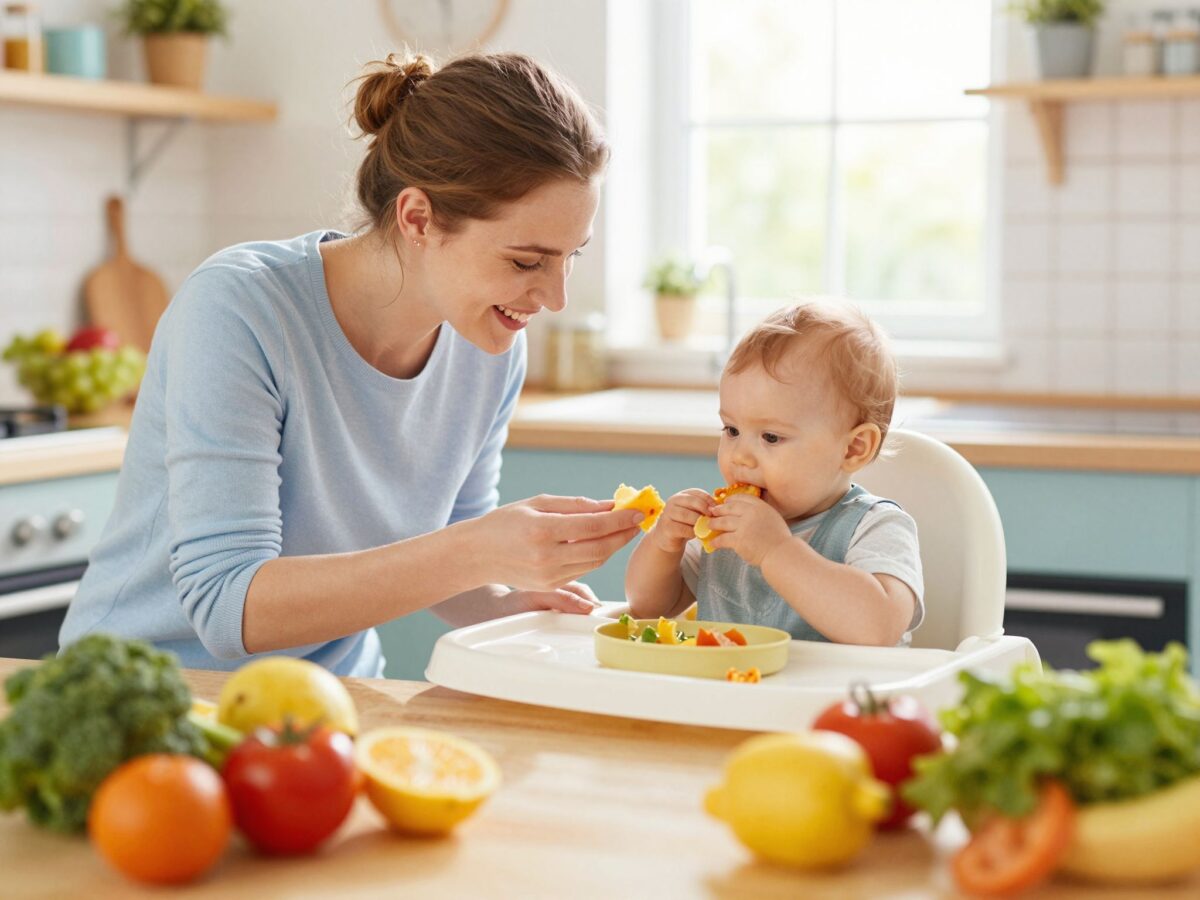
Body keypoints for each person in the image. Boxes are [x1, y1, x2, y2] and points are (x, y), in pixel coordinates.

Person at [59, 52, 645, 677]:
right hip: (147, 693)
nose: (554, 298)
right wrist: (477, 552)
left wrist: (506, 595)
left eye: (570, 256)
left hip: (332, 695)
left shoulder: (491, 344)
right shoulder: (240, 310)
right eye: (527, 262)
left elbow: (440, 542)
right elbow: (229, 607)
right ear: (417, 217)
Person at [624, 300, 923, 647]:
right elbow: (647, 606)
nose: (740, 456)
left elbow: (879, 628)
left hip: (837, 698)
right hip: (729, 696)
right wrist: (664, 542)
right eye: (732, 430)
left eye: (770, 437)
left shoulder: (876, 527)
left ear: (853, 449)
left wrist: (776, 550)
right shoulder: (725, 529)